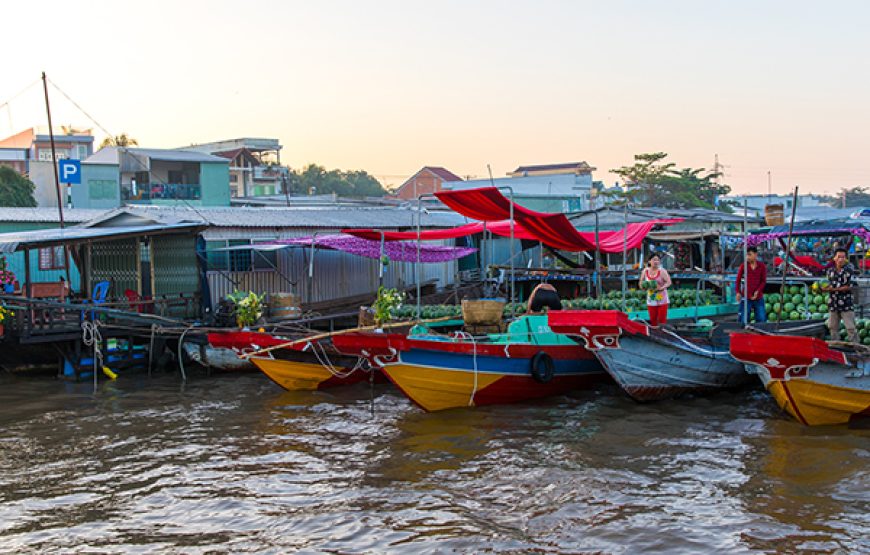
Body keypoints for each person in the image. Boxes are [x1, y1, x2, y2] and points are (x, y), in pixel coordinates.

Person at [822, 247, 859, 343]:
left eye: (843, 257)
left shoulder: (849, 270)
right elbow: (827, 284)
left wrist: (832, 289)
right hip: (833, 303)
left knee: (850, 327)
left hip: (846, 303)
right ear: (834, 258)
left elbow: (849, 286)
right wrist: (823, 289)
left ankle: (855, 348)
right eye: (839, 257)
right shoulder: (830, 271)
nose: (841, 259)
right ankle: (836, 346)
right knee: (832, 327)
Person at [736, 246, 767, 324]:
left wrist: (758, 291)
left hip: (758, 297)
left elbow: (763, 281)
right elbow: (738, 280)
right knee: (743, 320)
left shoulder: (762, 266)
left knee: (761, 319)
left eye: (749, 254)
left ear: (755, 255)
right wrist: (738, 292)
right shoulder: (743, 266)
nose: (747, 257)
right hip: (746, 296)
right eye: (746, 255)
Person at [640, 253, 672, 326]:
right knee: (653, 320)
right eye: (654, 260)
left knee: (661, 321)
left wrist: (662, 288)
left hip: (662, 299)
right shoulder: (645, 271)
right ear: (649, 261)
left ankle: (663, 334)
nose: (656, 262)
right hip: (651, 299)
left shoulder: (662, 271)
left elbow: (669, 282)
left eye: (658, 260)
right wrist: (643, 287)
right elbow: (641, 282)